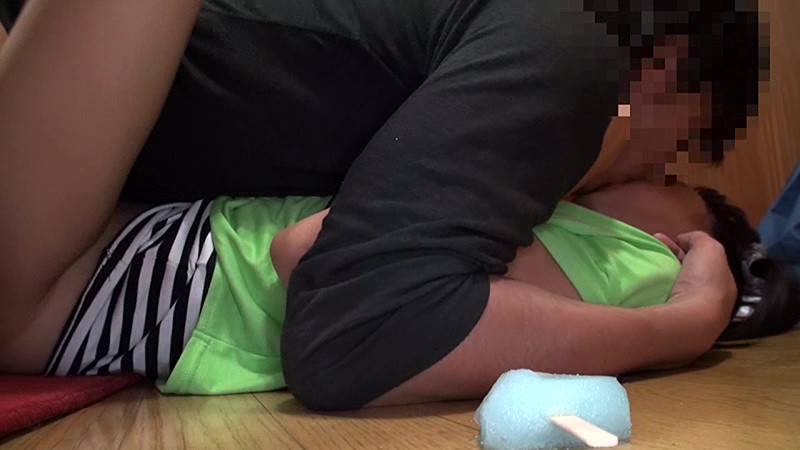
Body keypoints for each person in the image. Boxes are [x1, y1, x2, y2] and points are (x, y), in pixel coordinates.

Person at [0, 1, 767, 409]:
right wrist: (682, 324)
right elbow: (358, 338)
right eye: (675, 149)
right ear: (669, 68)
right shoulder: (573, 56)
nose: (653, 168)